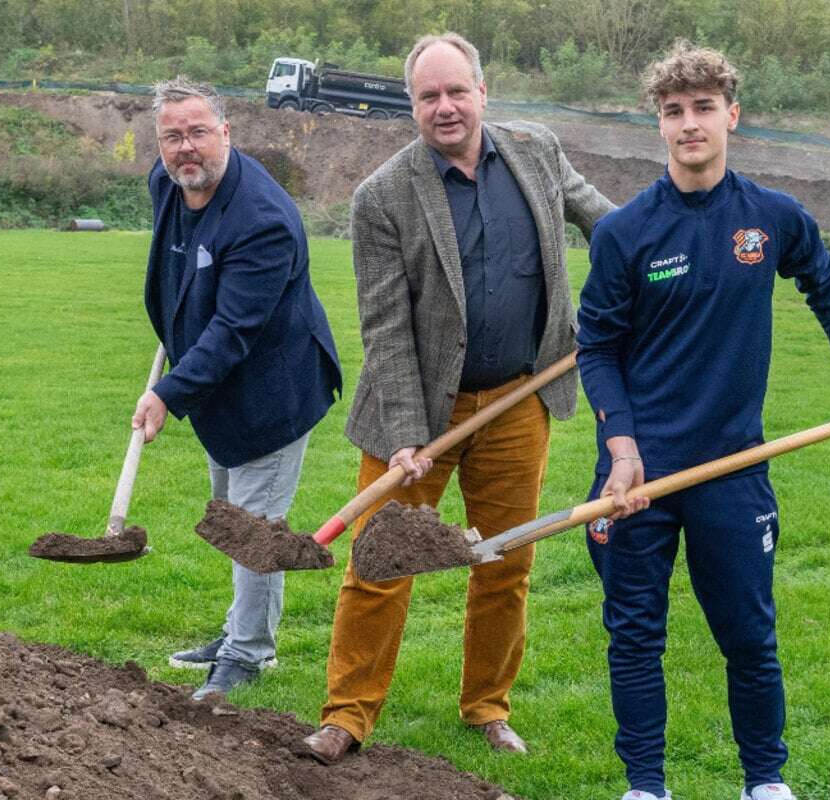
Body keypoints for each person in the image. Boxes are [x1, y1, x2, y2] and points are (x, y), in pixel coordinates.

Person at [575, 42, 830, 800]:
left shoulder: (773, 218)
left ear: (733, 115)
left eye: (703, 108)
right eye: (674, 112)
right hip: (639, 474)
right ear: (659, 125)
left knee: (751, 639)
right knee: (634, 638)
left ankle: (765, 782)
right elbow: (596, 349)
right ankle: (646, 786)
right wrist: (621, 447)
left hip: (733, 469)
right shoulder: (626, 232)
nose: (690, 124)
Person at [302, 33, 615, 764]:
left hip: (518, 401)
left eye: (455, 91)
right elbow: (384, 325)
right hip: (413, 414)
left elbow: (612, 225)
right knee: (379, 564)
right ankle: (347, 715)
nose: (444, 107)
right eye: (427, 96)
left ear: (483, 91)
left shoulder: (536, 151)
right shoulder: (383, 196)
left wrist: (654, 269)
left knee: (505, 563)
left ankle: (487, 707)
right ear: (410, 104)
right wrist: (409, 434)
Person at [132, 77, 341, 701]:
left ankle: (246, 656)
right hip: (219, 384)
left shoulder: (264, 220)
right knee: (235, 517)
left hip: (271, 391)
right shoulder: (166, 185)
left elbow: (234, 329)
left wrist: (169, 392)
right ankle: (241, 634)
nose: (185, 148)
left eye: (198, 132)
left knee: (253, 527)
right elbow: (179, 273)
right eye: (172, 136)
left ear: (226, 132)